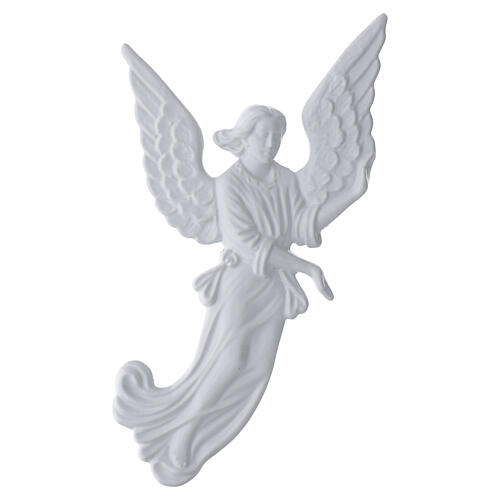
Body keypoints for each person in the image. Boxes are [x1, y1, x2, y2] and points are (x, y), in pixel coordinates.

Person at [114, 105, 334, 486]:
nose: (271, 143)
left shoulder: (285, 180)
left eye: (277, 136)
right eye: (262, 135)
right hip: (241, 284)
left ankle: (204, 435)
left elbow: (301, 224)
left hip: (273, 288)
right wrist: (307, 268)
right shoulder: (228, 185)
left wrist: (350, 191)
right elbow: (248, 243)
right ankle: (185, 432)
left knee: (256, 371)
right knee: (230, 361)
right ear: (243, 139)